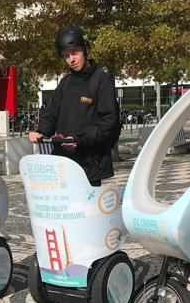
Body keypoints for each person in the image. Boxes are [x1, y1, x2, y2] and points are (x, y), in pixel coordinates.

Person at [28, 26, 121, 186]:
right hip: (64, 162)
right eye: (66, 56)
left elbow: (109, 122)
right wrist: (41, 131)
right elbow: (51, 113)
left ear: (84, 50)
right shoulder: (66, 82)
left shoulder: (101, 80)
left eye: (75, 53)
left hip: (90, 161)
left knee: (86, 209)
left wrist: (80, 140)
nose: (72, 59)